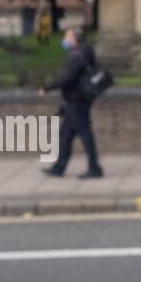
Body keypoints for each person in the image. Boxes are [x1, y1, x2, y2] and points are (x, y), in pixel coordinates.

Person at [39, 28, 103, 179]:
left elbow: (66, 77)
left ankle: (94, 168)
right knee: (65, 135)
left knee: (85, 135)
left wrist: (46, 88)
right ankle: (59, 168)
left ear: (75, 39)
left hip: (77, 101)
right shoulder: (82, 53)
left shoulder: (78, 56)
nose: (64, 39)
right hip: (74, 101)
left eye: (67, 36)